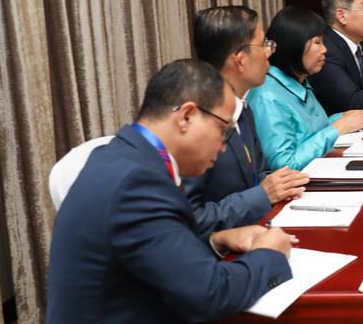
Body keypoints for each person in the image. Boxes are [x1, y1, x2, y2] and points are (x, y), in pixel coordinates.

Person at [47, 60, 295, 323]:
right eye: (223, 130)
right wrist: (269, 254)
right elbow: (210, 294)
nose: (223, 146)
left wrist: (216, 241)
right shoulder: (136, 184)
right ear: (186, 116)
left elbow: (152, 251)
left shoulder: (123, 157)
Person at [183, 6, 310, 232]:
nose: (269, 52)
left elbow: (259, 173)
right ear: (240, 60)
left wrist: (285, 184)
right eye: (263, 44)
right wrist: (261, 195)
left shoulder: (243, 107)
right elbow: (190, 220)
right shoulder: (196, 123)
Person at [250, 6, 363, 170]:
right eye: (317, 42)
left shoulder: (299, 80)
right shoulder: (267, 96)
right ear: (294, 45)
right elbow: (284, 165)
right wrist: (338, 127)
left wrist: (343, 118)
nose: (325, 49)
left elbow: (311, 130)